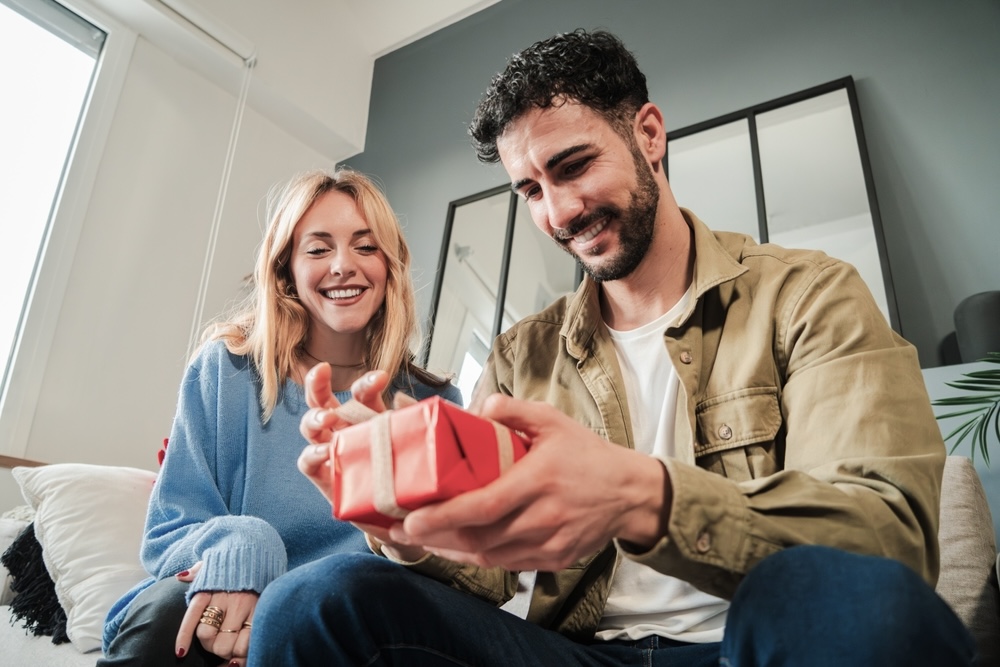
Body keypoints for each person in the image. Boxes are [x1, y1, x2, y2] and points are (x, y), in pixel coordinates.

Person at [248, 30, 977, 666]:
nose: (558, 211)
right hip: (573, 651)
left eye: (571, 166)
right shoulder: (519, 356)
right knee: (308, 602)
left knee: (857, 602)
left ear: (650, 134)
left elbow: (886, 538)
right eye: (529, 190)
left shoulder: (810, 296)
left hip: (752, 644)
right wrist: (400, 524)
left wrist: (642, 496)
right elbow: (493, 574)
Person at [97, 168, 461, 667]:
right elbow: (168, 532)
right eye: (317, 249)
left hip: (342, 631)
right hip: (214, 606)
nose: (342, 266)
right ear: (286, 267)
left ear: (390, 264)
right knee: (165, 614)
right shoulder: (226, 368)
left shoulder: (433, 404)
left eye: (365, 246)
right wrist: (245, 544)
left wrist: (280, 624)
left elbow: (445, 572)